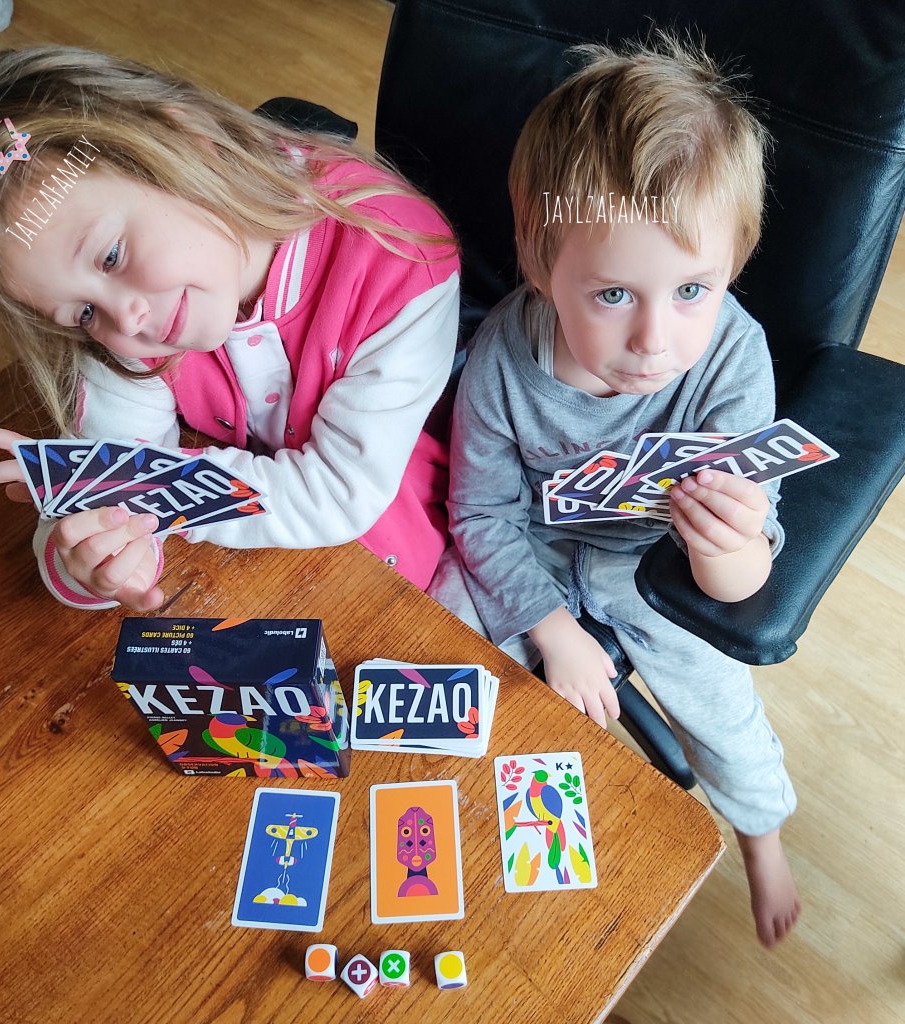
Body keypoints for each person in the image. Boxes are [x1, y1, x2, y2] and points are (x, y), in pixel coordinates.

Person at [430, 36, 801, 946]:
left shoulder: (731, 359)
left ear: (733, 266)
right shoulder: (503, 359)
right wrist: (549, 628)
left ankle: (761, 835)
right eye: (612, 296)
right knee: (438, 657)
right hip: (535, 544)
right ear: (539, 265)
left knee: (719, 706)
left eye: (693, 289)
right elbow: (480, 511)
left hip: (656, 563)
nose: (655, 340)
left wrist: (729, 548)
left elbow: (742, 583)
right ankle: (452, 829)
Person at [0, 47, 460, 610]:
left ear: (186, 146)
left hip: (420, 575)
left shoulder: (401, 258)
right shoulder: (130, 325)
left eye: (112, 255)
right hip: (249, 587)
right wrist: (93, 556)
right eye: (84, 313)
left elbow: (340, 493)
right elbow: (100, 490)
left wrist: (135, 485)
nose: (126, 319)